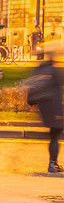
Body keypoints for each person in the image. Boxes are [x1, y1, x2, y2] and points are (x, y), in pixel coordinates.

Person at [26, 41, 63, 174]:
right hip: (55, 107)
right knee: (55, 136)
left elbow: (32, 87)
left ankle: (54, 162)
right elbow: (59, 89)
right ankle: (52, 164)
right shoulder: (53, 71)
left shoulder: (39, 69)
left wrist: (31, 103)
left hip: (44, 107)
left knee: (54, 135)